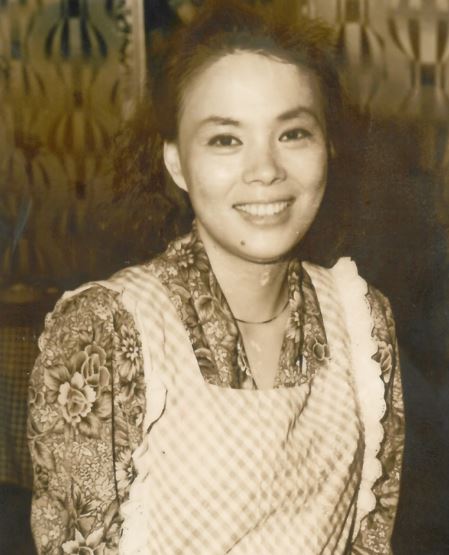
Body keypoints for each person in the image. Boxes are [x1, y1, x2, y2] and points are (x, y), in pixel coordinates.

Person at [27, 1, 404, 553]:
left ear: (329, 146)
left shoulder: (362, 322)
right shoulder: (105, 331)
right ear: (177, 162)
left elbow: (370, 539)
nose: (265, 170)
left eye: (293, 133)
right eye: (226, 139)